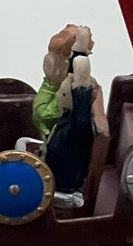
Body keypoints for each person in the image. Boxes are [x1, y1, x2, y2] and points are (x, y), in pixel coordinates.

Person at [45, 53, 106, 209]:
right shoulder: (67, 118)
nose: (57, 95)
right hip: (50, 178)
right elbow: (71, 78)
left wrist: (82, 84)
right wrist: (79, 52)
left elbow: (81, 109)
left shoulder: (78, 127)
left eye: (62, 93)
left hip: (61, 191)